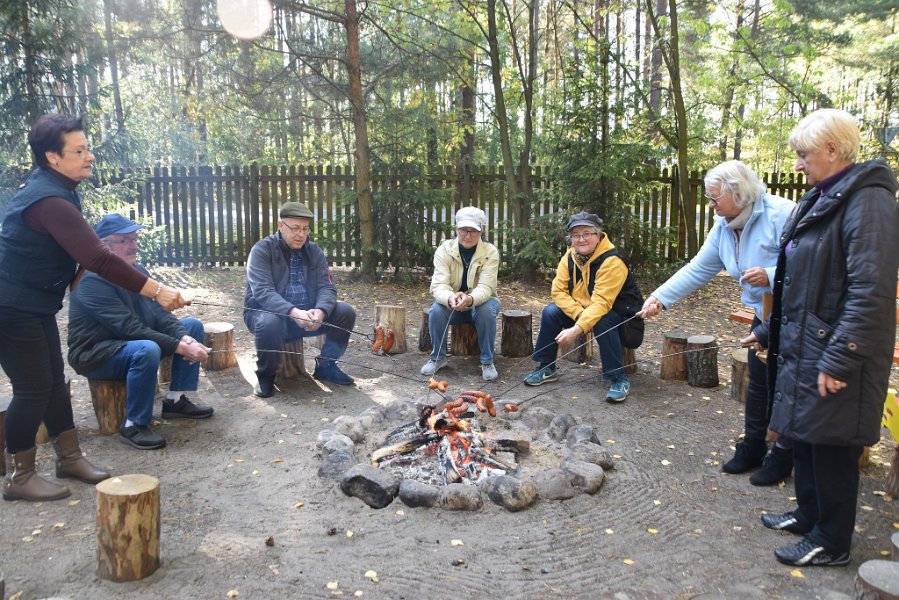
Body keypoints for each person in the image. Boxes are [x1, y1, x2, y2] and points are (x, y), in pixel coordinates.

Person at [0, 114, 188, 502]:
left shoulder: (58, 189)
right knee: (32, 389)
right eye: (80, 150)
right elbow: (99, 258)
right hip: (11, 307)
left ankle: (68, 458)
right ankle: (21, 476)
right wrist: (156, 291)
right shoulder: (50, 200)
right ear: (53, 157)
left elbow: (70, 251)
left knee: (53, 382)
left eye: (89, 148)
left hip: (32, 305)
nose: (90, 156)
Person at [745, 109, 898, 566]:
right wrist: (766, 329)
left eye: (803, 154)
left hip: (837, 350)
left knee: (832, 444)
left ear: (833, 150)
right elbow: (798, 282)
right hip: (808, 343)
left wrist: (839, 359)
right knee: (806, 433)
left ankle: (831, 541)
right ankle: (809, 514)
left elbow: (871, 292)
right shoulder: (825, 196)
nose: (797, 164)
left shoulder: (868, 203)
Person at [640, 161, 795, 485]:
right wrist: (660, 298)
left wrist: (769, 274)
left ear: (738, 193)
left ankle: (782, 456)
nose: (710, 205)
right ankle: (752, 447)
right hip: (763, 315)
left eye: (714, 198)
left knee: (788, 386)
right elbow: (699, 268)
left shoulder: (782, 214)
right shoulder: (723, 224)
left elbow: (812, 268)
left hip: (796, 315)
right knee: (760, 381)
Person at [67, 215, 214, 450]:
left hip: (129, 342)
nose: (133, 245)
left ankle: (175, 401)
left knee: (192, 325)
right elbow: (129, 328)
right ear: (104, 245)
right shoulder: (89, 281)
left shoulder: (136, 271)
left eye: (134, 238)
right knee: (146, 348)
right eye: (125, 240)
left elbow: (159, 314)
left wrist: (184, 337)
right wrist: (182, 347)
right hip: (96, 353)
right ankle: (134, 424)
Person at [524, 211, 644, 403]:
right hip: (583, 311)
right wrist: (580, 315)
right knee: (551, 312)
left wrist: (578, 328)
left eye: (587, 233)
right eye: (576, 235)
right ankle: (546, 366)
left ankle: (618, 378)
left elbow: (602, 303)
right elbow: (558, 291)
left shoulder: (612, 261)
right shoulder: (570, 257)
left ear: (598, 235)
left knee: (604, 320)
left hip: (622, 317)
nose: (581, 239)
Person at [245, 201, 357, 397]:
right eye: (295, 228)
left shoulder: (314, 251)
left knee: (345, 311)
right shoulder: (262, 250)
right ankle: (265, 376)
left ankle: (326, 365)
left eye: (305, 229)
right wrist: (293, 312)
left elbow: (327, 287)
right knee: (269, 322)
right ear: (280, 226)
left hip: (308, 316)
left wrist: (321, 311)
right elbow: (263, 293)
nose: (301, 234)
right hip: (270, 316)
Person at [420, 206, 501, 381]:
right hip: (453, 303)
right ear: (457, 229)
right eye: (464, 229)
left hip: (482, 302)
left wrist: (470, 299)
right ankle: (438, 358)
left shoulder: (490, 252)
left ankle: (487, 361)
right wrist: (450, 297)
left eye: (474, 230)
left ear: (481, 231)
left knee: (486, 310)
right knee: (436, 310)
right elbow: (438, 285)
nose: (468, 235)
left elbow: (487, 287)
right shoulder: (444, 249)